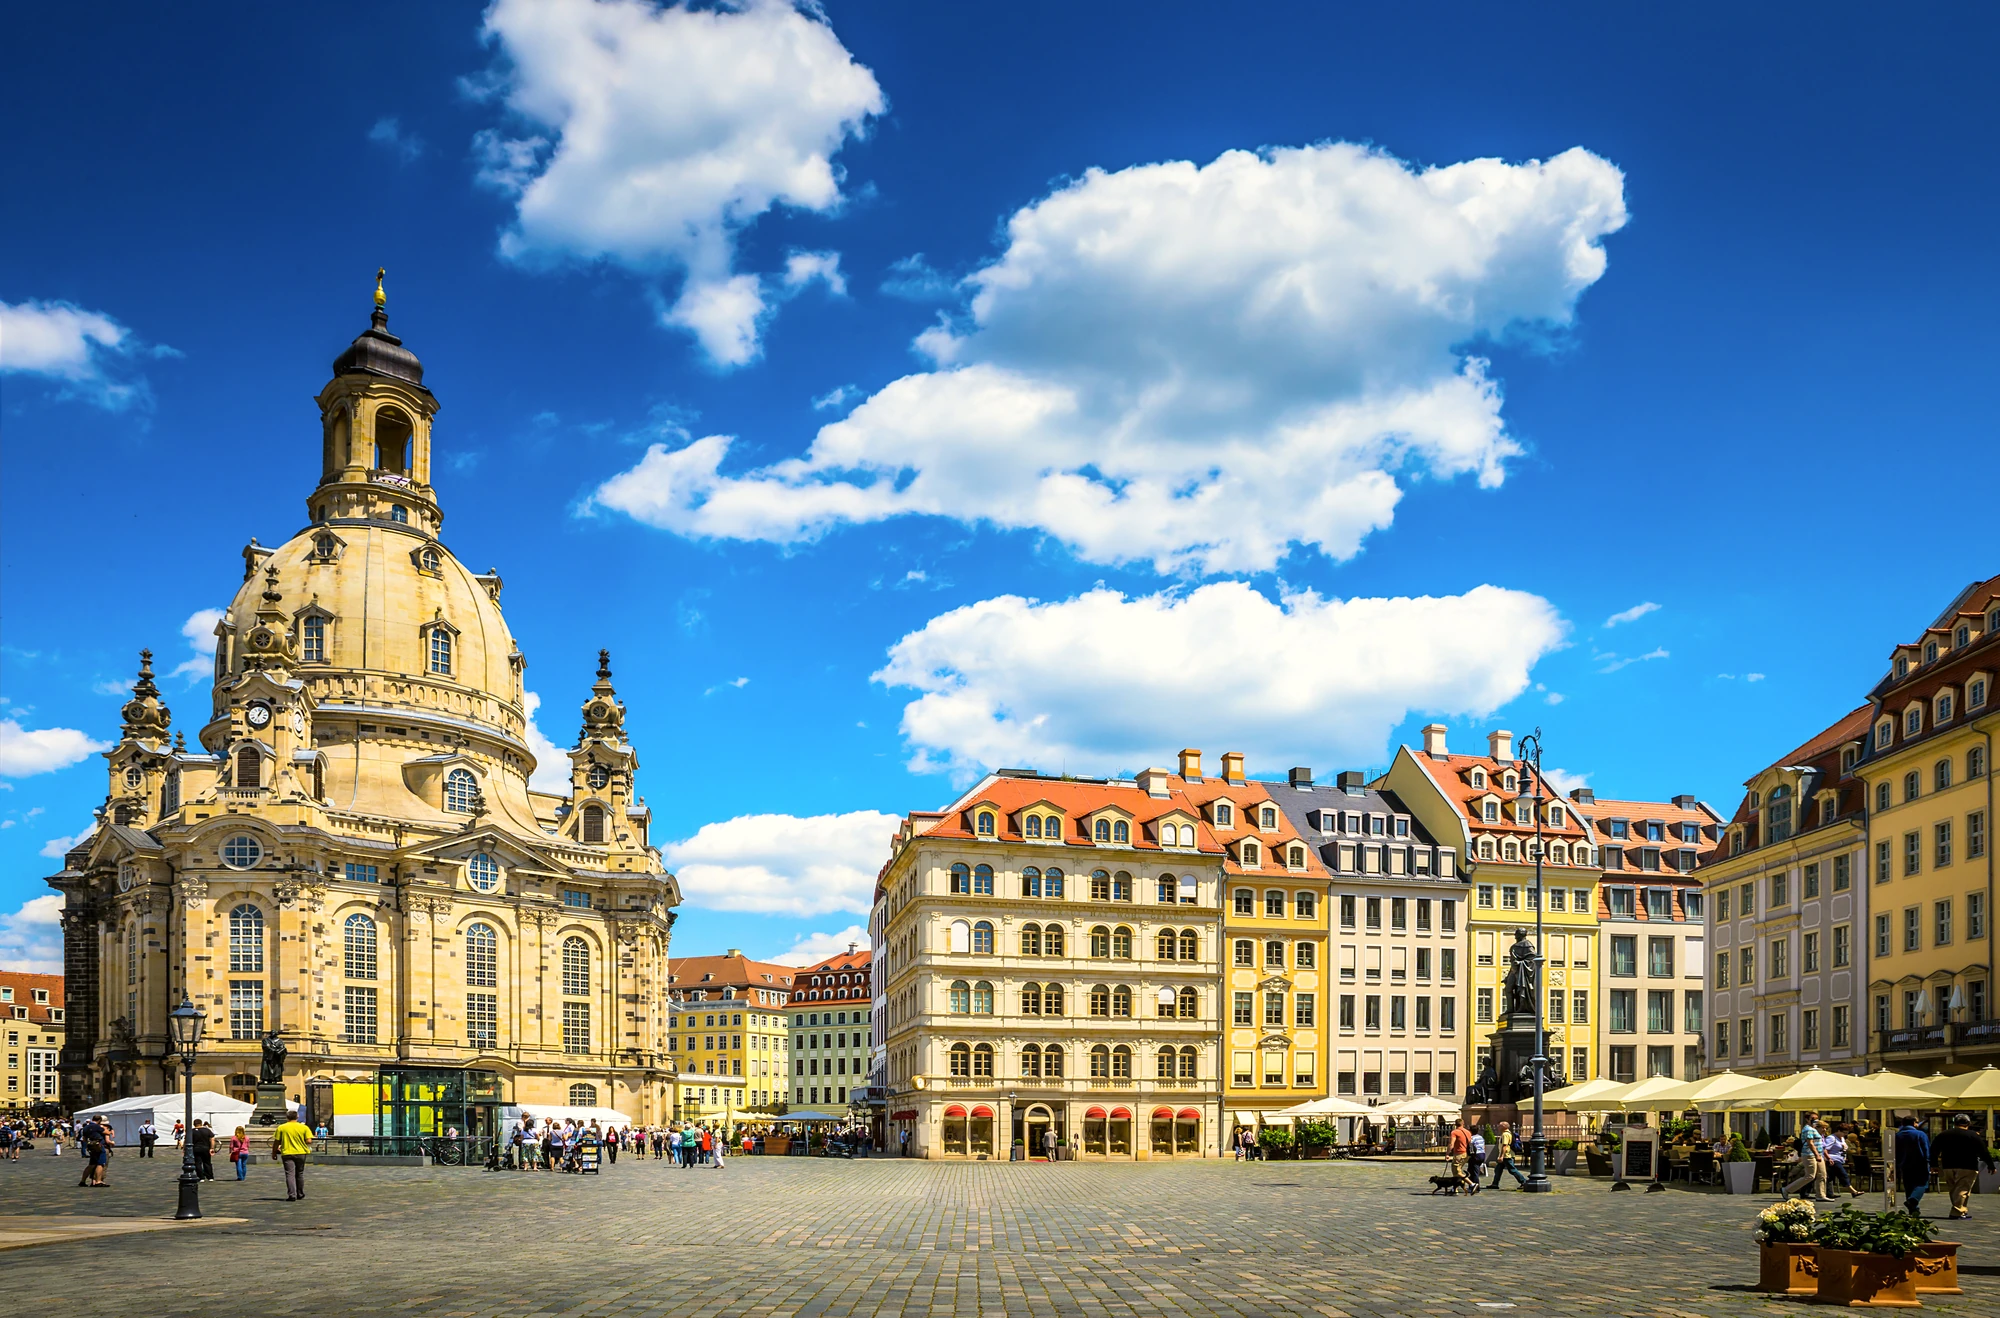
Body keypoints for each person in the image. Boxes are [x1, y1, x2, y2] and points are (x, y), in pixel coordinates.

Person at [1931, 1114, 1997, 1220]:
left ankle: (1961, 1210)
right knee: (1963, 1189)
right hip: (1968, 1166)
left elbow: (1934, 1150)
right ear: (1968, 1123)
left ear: (1955, 1123)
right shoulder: (1973, 1135)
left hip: (1948, 1165)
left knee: (1954, 1189)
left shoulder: (1943, 1134)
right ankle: (1956, 1212)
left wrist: (1934, 1164)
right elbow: (1983, 1151)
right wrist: (1991, 1165)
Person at [1781, 1114, 1829, 1201]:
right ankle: (1787, 1189)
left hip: (1819, 1154)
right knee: (1810, 1176)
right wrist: (1816, 1154)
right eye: (1813, 1118)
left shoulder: (1814, 1129)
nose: (1815, 1120)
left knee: (1822, 1175)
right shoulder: (1808, 1129)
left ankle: (1821, 1195)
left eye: (1817, 1118)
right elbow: (1810, 1143)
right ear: (1807, 1119)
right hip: (1809, 1154)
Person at [271, 1111, 314, 1201]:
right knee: (300, 1173)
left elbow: (276, 1142)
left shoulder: (282, 1128)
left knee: (289, 1174)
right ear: (297, 1117)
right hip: (301, 1152)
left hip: (287, 1153)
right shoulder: (304, 1127)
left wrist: (274, 1152)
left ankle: (292, 1195)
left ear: (287, 1117)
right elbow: (309, 1141)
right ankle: (300, 1193)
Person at [1894, 1116, 1932, 1216]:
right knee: (1922, 1184)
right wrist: (1929, 1161)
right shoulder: (1920, 1134)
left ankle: (1913, 1209)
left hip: (1904, 1164)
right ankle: (1913, 1200)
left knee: (1909, 1186)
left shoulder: (1898, 1135)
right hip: (1920, 1163)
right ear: (1914, 1123)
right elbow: (1926, 1149)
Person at [1821, 1122, 1859, 1198]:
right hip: (1833, 1159)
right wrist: (1828, 1158)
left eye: (1846, 1133)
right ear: (1838, 1131)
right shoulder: (1831, 1138)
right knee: (1843, 1174)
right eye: (1844, 1132)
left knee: (1830, 1177)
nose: (1845, 1134)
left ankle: (1829, 1193)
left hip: (1840, 1159)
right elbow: (1825, 1149)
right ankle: (1853, 1191)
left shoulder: (1842, 1138)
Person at [1489, 1120, 1528, 1189]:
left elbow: (1505, 1145)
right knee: (1498, 1169)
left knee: (1512, 1170)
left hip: (1507, 1155)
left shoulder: (1505, 1134)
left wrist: (1501, 1156)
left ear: (1504, 1126)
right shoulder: (1506, 1133)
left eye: (1499, 1126)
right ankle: (1495, 1184)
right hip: (1506, 1155)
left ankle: (1524, 1182)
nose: (1498, 1127)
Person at [78, 1116, 110, 1187]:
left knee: (91, 1164)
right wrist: (104, 1127)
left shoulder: (86, 1127)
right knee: (100, 1163)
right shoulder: (97, 1126)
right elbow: (107, 1132)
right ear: (99, 1120)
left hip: (90, 1145)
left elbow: (84, 1138)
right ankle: (98, 1181)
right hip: (98, 1145)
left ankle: (83, 1181)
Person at [1446, 1118, 1472, 1193]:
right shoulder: (1468, 1132)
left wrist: (1447, 1153)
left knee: (1457, 1172)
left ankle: (1472, 1184)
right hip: (1466, 1153)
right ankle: (1455, 1189)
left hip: (1459, 1153)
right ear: (1463, 1124)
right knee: (1457, 1171)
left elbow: (1451, 1144)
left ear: (1455, 1124)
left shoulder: (1455, 1132)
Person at [1466, 1125, 1487, 1193]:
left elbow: (1470, 1148)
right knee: (1471, 1170)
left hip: (1475, 1155)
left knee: (1474, 1172)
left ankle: (1476, 1187)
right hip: (1482, 1154)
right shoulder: (1480, 1137)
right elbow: (1483, 1146)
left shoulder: (1472, 1138)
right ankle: (1471, 1185)